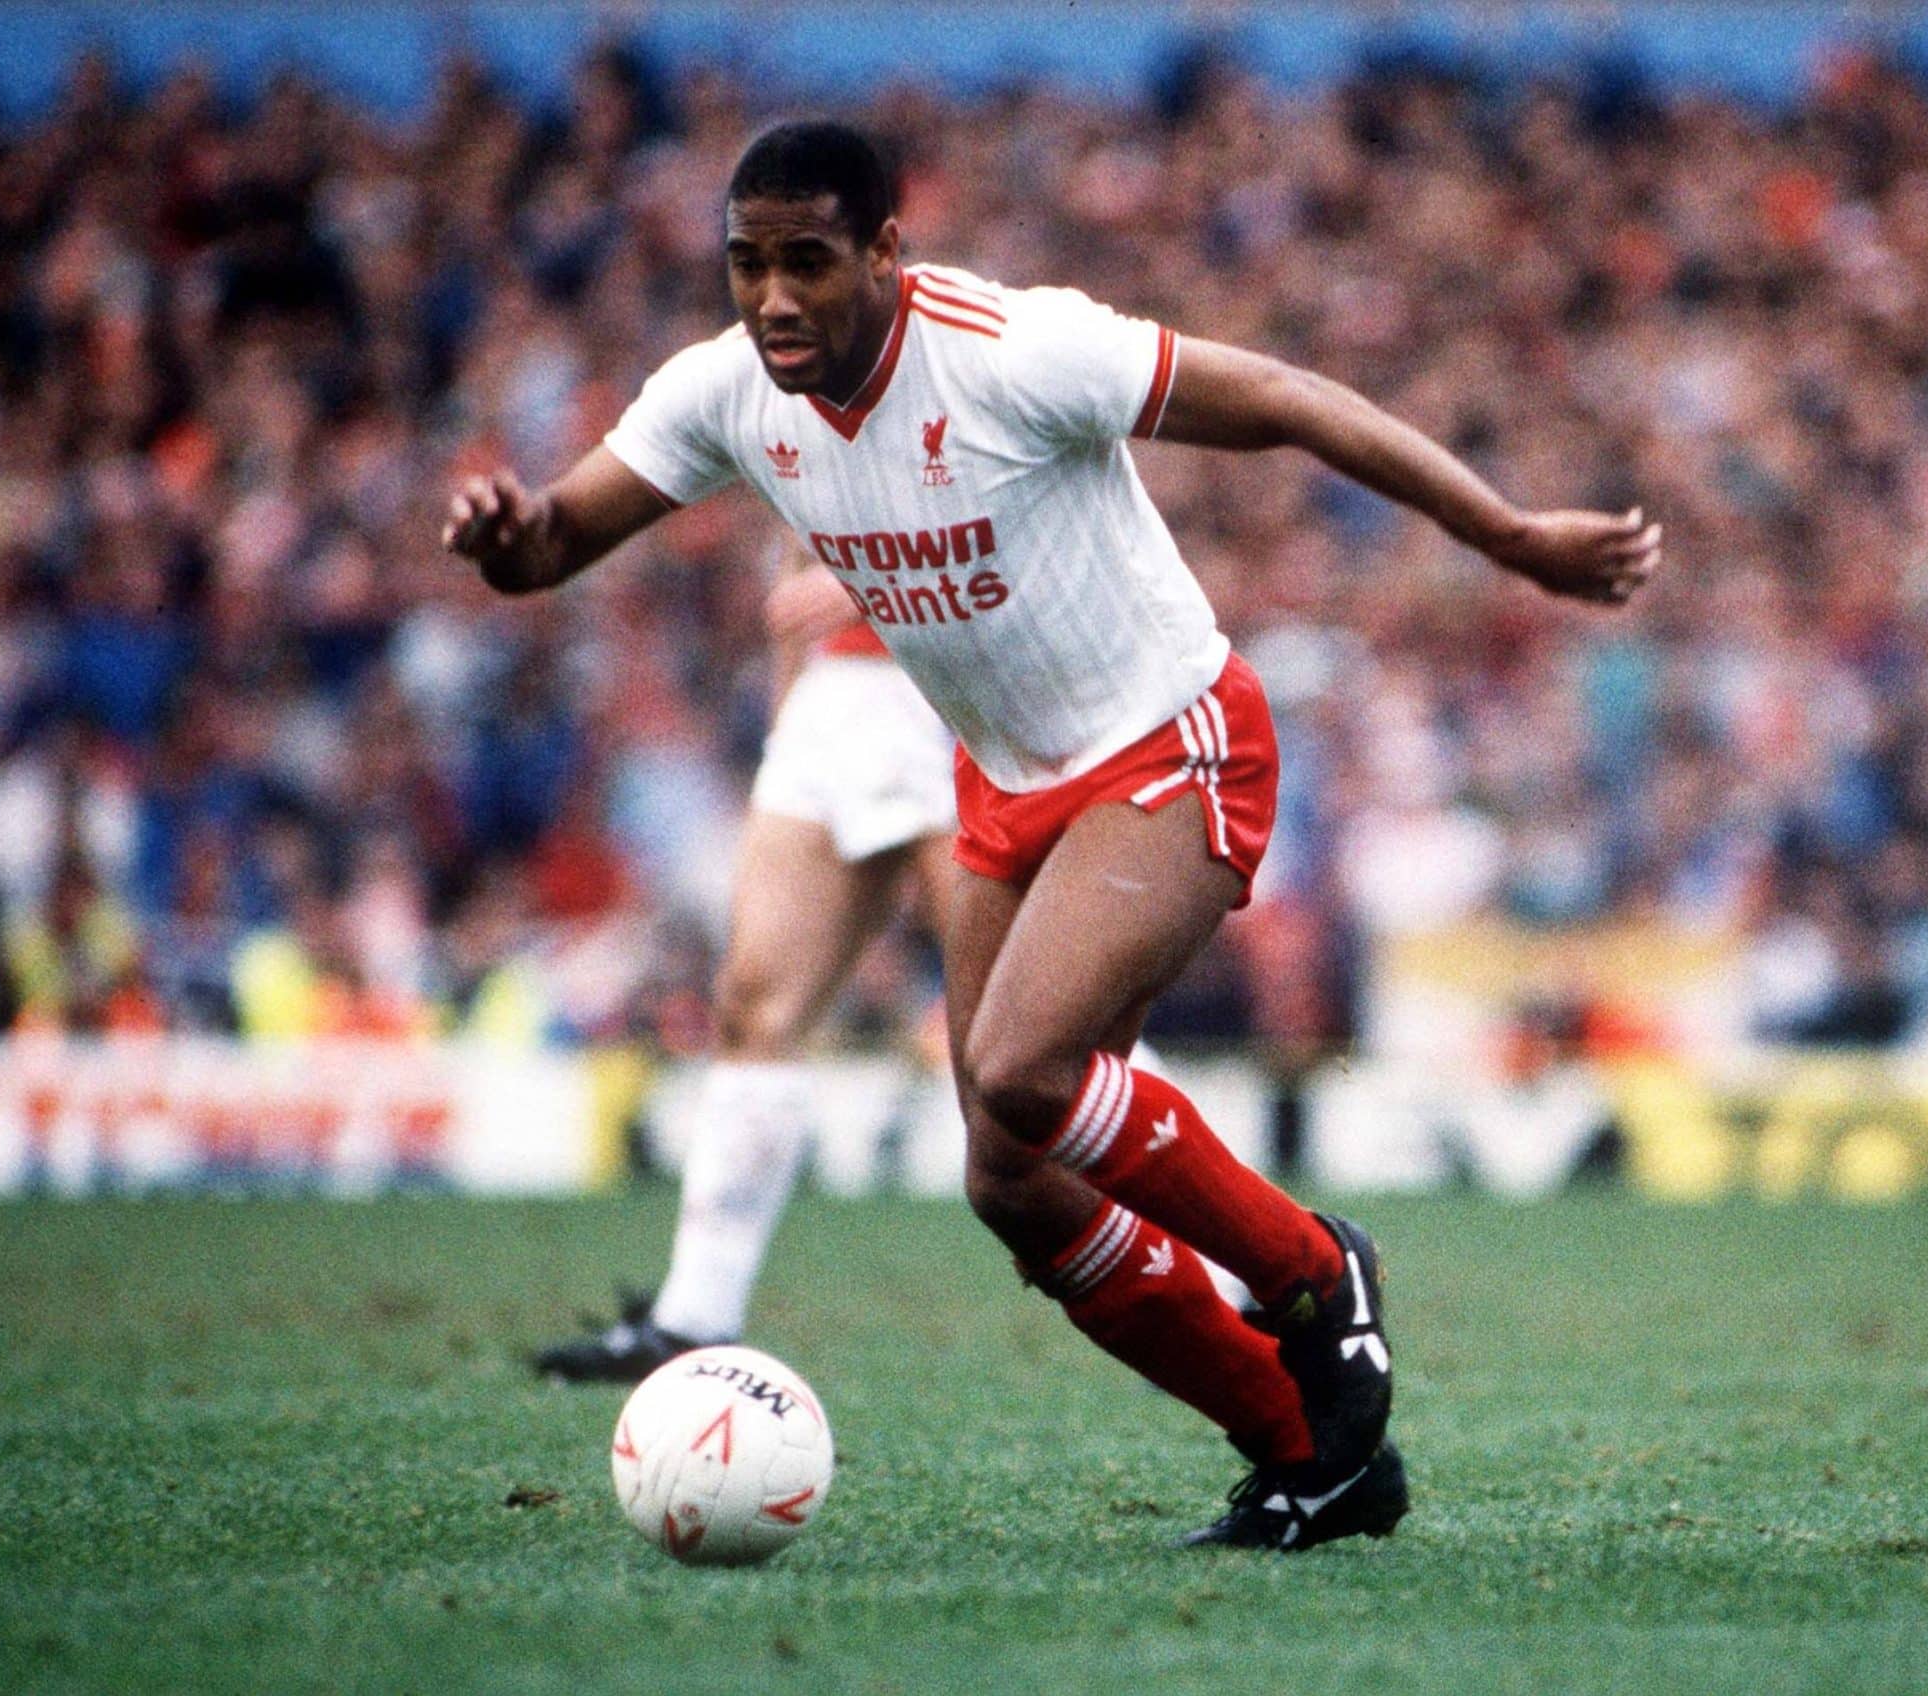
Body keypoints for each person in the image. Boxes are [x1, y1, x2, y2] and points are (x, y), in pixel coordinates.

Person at [445, 120, 1660, 1551]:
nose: (773, 298)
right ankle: (1308, 1457)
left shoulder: (1017, 351)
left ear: (887, 253)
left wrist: (1508, 535)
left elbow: (1278, 398)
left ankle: (1316, 1270)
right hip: (1007, 788)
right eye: (747, 265)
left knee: (1025, 1069)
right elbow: (554, 546)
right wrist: (505, 530)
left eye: (810, 264)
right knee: (1009, 1177)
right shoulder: (727, 394)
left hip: (1174, 741)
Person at [534, 559, 962, 1381]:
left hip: (960, 678)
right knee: (753, 1006)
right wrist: (791, 687)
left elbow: (1028, 504)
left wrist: (888, 587)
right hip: (836, 694)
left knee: (1019, 1033)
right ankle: (695, 1317)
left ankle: (1234, 1278)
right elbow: (804, 546)